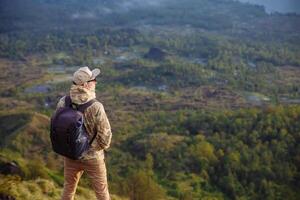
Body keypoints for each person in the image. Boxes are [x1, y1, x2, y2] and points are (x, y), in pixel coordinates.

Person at [56, 66, 112, 200]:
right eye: (93, 79)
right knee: (102, 193)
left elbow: (58, 128)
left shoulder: (64, 102)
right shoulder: (96, 106)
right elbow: (105, 137)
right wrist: (92, 149)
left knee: (68, 189)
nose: (96, 82)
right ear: (86, 84)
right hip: (93, 158)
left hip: (71, 155)